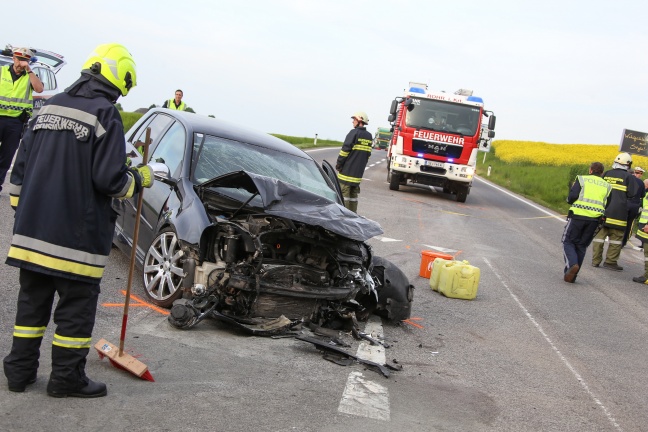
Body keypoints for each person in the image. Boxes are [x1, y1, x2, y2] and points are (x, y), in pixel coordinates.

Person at [3, 43, 153, 398]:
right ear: (118, 80)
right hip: (77, 240)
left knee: (31, 307)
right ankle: (65, 379)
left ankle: (19, 373)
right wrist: (139, 178)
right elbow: (110, 181)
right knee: (75, 312)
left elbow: (18, 174)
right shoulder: (105, 114)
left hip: (31, 235)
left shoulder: (46, 108)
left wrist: (27, 215)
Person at [0, 47, 44, 192]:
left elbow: (39, 89)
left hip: (16, 122)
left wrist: (29, 70)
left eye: (25, 60)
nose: (21, 64)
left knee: (6, 157)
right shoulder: (2, 71)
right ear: (13, 58)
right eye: (19, 59)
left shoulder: (30, 76)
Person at [562, 162, 611, 283]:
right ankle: (573, 276)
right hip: (595, 220)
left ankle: (572, 265)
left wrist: (569, 199)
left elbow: (572, 197)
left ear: (590, 170)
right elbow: (607, 203)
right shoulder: (607, 186)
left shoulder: (582, 179)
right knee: (581, 246)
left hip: (578, 216)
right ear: (601, 173)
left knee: (567, 241)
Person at [591, 152, 637, 271]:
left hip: (603, 212)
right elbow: (633, 194)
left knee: (599, 237)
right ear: (628, 164)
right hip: (619, 214)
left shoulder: (606, 174)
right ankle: (610, 262)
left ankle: (595, 261)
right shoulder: (629, 177)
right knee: (616, 240)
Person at [336, 111, 373, 213]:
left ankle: (344, 217)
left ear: (359, 120)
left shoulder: (353, 133)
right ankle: (353, 216)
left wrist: (339, 164)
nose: (353, 122)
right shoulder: (369, 136)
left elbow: (344, 151)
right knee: (353, 198)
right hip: (357, 175)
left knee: (344, 197)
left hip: (346, 174)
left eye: (354, 119)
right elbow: (368, 155)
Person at [622, 166, 646, 248]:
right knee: (629, 224)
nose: (640, 175)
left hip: (625, 203)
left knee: (621, 221)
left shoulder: (627, 179)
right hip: (635, 205)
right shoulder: (641, 183)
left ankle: (617, 239)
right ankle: (623, 242)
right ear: (636, 173)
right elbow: (643, 195)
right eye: (640, 173)